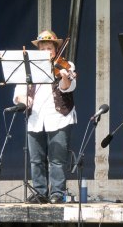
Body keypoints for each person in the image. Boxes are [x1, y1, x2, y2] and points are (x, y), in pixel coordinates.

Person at [12, 30, 76, 204]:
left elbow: (67, 87)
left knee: (57, 159)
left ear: (56, 50)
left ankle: (57, 193)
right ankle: (40, 192)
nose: (46, 52)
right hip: (35, 118)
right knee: (36, 160)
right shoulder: (29, 67)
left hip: (59, 117)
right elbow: (18, 92)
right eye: (43, 49)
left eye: (49, 48)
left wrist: (65, 78)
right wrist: (24, 99)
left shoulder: (65, 64)